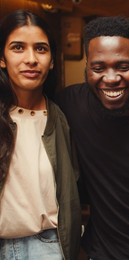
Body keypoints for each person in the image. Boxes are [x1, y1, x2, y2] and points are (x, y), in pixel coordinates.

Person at [55, 16, 129, 259]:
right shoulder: (70, 104)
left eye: (122, 66)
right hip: (101, 257)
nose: (110, 78)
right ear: (87, 67)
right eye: (98, 68)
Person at [0, 9, 81, 260]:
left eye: (41, 49)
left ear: (53, 60)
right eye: (18, 48)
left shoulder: (62, 117)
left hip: (49, 248)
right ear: (1, 58)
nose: (31, 59)